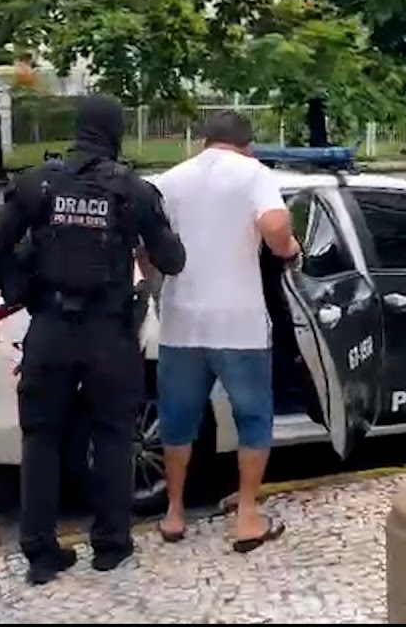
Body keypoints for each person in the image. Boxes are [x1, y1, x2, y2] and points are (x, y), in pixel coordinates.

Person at [0, 93, 186, 586]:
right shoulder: (133, 190)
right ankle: (110, 544)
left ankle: (40, 552)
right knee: (112, 436)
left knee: (41, 438)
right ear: (116, 132)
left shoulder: (39, 184)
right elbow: (173, 260)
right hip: (109, 334)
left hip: (49, 330)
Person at [150, 109, 300, 553]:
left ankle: (174, 512)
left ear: (204, 141)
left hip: (181, 320)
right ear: (247, 145)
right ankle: (247, 516)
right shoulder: (254, 174)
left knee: (178, 420)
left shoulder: (169, 180)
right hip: (239, 323)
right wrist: (289, 248)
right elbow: (274, 226)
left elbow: (147, 244)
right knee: (252, 417)